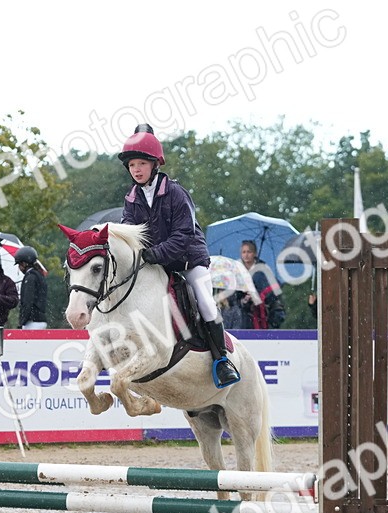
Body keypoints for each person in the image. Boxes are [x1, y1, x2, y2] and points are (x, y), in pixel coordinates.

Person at [120, 123, 240, 387]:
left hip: (188, 259)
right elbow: (130, 232)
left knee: (206, 301)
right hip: (158, 262)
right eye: (132, 166)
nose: (136, 170)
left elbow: (183, 236)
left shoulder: (175, 192)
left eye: (141, 163)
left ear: (155, 164)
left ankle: (222, 360)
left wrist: (154, 254)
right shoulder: (131, 198)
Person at [238, 239, 285, 330]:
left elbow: (269, 293)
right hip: (243, 317)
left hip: (261, 315)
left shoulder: (263, 270)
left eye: (249, 252)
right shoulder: (237, 269)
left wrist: (256, 296)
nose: (246, 255)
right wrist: (244, 299)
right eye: (243, 252)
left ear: (255, 253)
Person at [14, 246, 48, 329]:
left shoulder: (30, 278)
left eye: (19, 264)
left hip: (32, 321)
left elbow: (28, 301)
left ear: (24, 264)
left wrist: (22, 321)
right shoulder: (39, 275)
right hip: (40, 319)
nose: (19, 267)